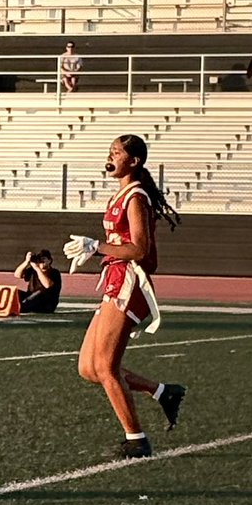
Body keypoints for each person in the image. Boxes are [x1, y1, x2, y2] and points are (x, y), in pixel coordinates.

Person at [64, 134, 185, 459]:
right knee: (88, 368)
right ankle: (163, 392)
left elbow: (141, 250)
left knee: (105, 367)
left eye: (117, 152)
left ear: (134, 161)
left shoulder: (135, 196)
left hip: (130, 283)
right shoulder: (121, 194)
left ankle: (137, 440)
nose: (111, 156)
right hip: (116, 280)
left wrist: (96, 246)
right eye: (111, 151)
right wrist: (97, 251)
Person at [12, 249, 62, 314]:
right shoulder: (33, 270)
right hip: (31, 297)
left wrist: (37, 269)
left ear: (49, 260)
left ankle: (21, 307)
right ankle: (12, 306)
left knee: (39, 293)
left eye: (44, 259)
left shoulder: (54, 272)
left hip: (46, 303)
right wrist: (26, 262)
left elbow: (47, 285)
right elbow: (17, 275)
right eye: (39, 259)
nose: (41, 261)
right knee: (15, 292)